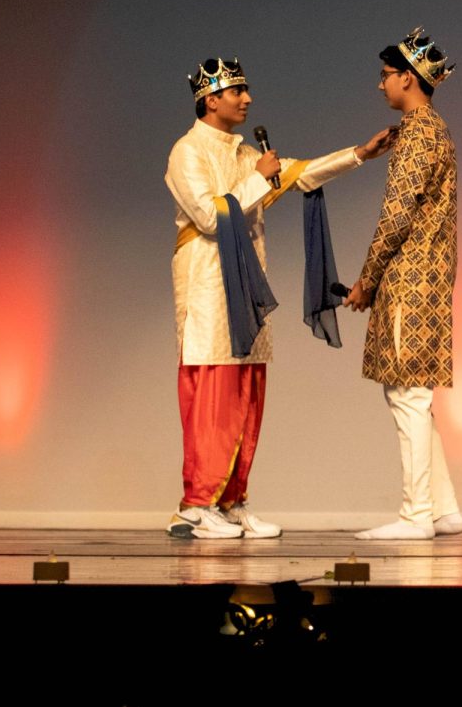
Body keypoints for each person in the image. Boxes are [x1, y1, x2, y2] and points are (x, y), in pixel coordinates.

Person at [166, 58, 393, 539]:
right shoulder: (186, 152)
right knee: (214, 396)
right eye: (237, 92)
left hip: (246, 288)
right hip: (208, 288)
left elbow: (301, 174)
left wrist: (360, 154)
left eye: (246, 91)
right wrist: (259, 179)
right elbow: (209, 218)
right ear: (211, 100)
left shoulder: (246, 153)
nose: (247, 99)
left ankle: (231, 501)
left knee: (247, 395)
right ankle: (196, 505)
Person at [345, 28, 462, 541]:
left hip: (410, 277)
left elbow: (396, 215)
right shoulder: (434, 130)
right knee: (413, 395)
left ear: (408, 78)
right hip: (428, 274)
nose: (381, 86)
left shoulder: (418, 131)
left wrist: (367, 278)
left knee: (409, 395)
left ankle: (418, 514)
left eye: (386, 76)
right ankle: (443, 508)